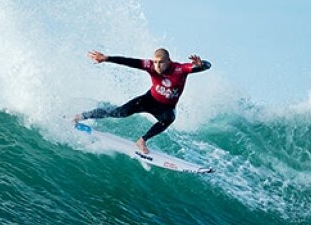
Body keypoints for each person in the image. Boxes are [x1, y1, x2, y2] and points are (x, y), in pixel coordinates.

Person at [74, 48, 211, 154]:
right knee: (119, 113)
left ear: (168, 61)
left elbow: (207, 65)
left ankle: (142, 141)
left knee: (169, 119)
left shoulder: (180, 69)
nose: (157, 65)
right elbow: (129, 61)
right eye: (155, 62)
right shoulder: (150, 65)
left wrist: (201, 64)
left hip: (166, 108)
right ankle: (81, 116)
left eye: (161, 62)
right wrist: (107, 58)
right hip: (149, 99)